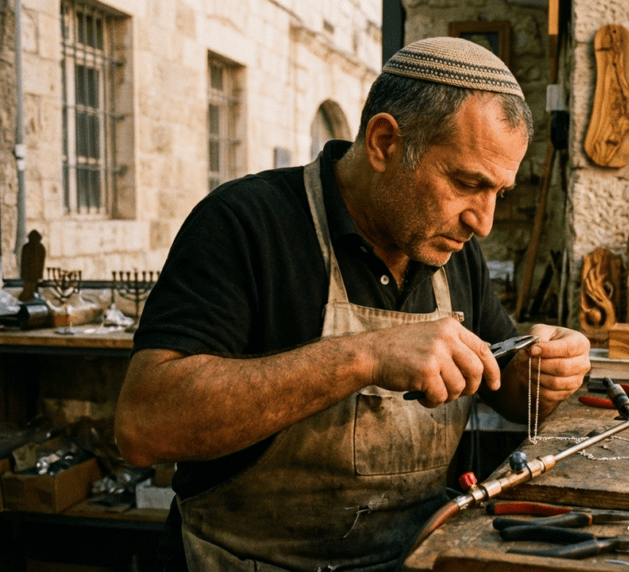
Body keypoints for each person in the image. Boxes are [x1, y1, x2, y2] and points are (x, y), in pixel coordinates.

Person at [114, 37, 590, 571]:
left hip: (413, 557)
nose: (483, 221)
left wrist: (544, 372)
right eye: (465, 183)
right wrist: (364, 357)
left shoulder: (454, 251)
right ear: (385, 142)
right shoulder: (246, 223)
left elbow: (504, 386)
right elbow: (143, 425)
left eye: (497, 193)